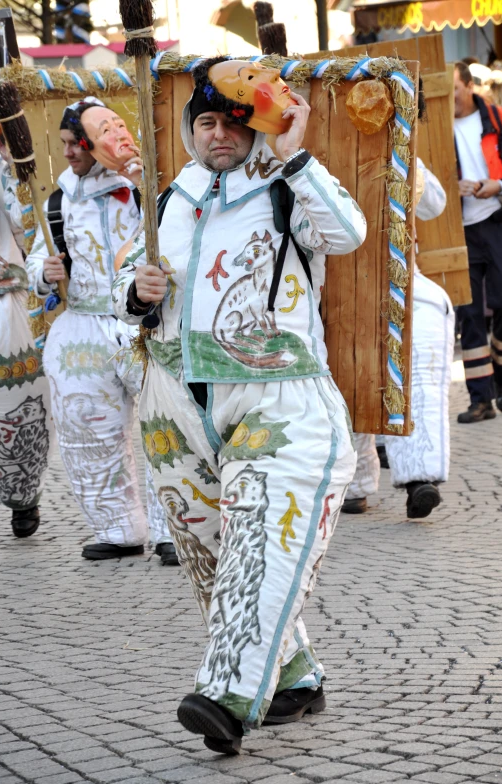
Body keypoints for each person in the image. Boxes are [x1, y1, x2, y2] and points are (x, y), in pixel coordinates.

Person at [112, 56, 366, 754]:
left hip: (277, 396)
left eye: (233, 121)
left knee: (260, 539)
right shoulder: (169, 197)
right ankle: (294, 676)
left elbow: (348, 234)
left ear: (254, 128)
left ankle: (225, 696)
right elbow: (125, 292)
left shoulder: (284, 184)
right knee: (209, 553)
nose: (218, 134)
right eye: (205, 121)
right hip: (176, 404)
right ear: (190, 131)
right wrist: (138, 298)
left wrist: (293, 156)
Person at [25, 97, 177, 563]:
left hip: (141, 324)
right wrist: (43, 271)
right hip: (82, 327)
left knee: (164, 424)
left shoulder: (140, 188)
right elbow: (35, 258)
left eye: (76, 143)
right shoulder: (58, 200)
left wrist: (146, 188)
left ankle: (173, 526)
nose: (68, 152)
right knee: (89, 429)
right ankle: (117, 527)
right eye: (65, 143)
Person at [343, 159, 455, 519]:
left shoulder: (399, 141)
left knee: (422, 353)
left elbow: (434, 204)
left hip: (403, 282)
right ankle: (351, 483)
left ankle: (420, 479)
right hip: (330, 287)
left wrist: (408, 155)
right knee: (342, 378)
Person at [0, 138, 54, 537]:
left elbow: (26, 229)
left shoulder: (0, 168)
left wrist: (15, 173)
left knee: (14, 404)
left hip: (1, 300)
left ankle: (22, 498)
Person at [454, 61, 502, 423]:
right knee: (470, 314)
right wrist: (448, 187)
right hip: (458, 230)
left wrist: (499, 186)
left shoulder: (499, 119)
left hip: (497, 221)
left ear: (469, 85)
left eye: (454, 90)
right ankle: (481, 400)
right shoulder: (434, 127)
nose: (449, 99)